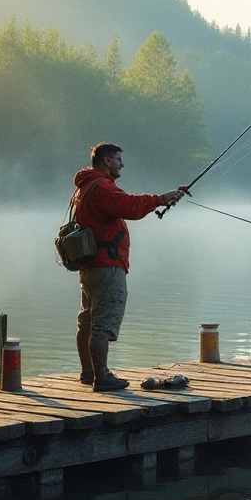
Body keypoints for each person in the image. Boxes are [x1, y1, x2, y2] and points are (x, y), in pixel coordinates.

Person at [72, 142, 185, 391]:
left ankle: (88, 373)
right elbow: (129, 207)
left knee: (87, 322)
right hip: (107, 266)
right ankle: (102, 377)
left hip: (91, 265)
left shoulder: (86, 186)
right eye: (118, 159)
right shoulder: (101, 186)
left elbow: (124, 204)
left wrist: (160, 199)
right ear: (105, 161)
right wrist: (159, 199)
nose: (122, 164)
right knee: (101, 324)